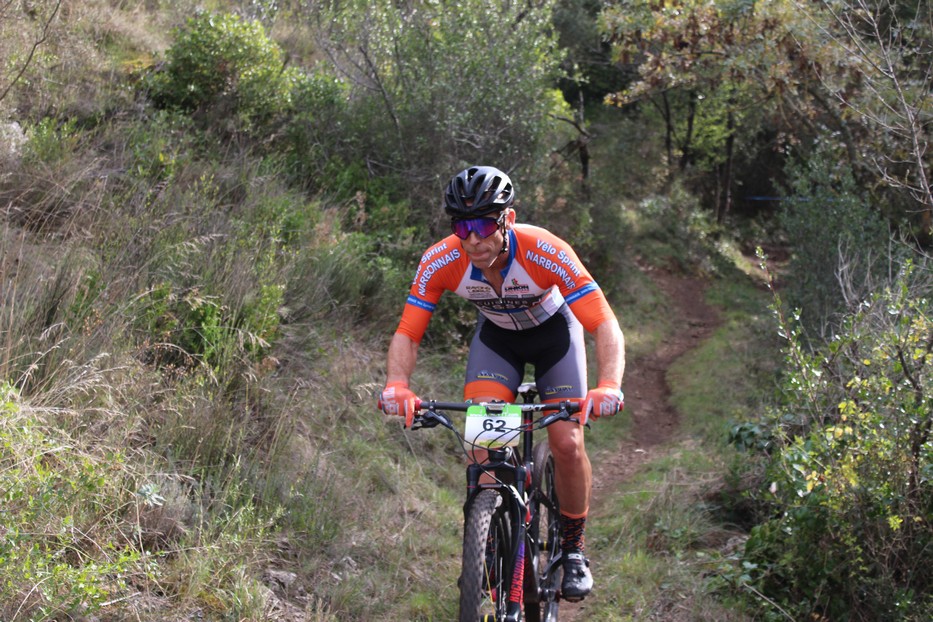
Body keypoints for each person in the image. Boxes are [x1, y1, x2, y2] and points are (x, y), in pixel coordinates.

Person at [379, 165, 625, 601]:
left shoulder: (545, 250)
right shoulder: (441, 260)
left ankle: (573, 548)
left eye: (483, 225)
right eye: (461, 227)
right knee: (482, 448)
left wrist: (608, 384)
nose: (473, 239)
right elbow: (409, 331)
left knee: (567, 442)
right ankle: (489, 541)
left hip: (555, 339)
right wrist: (398, 384)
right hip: (498, 344)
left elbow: (603, 322)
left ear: (507, 219)